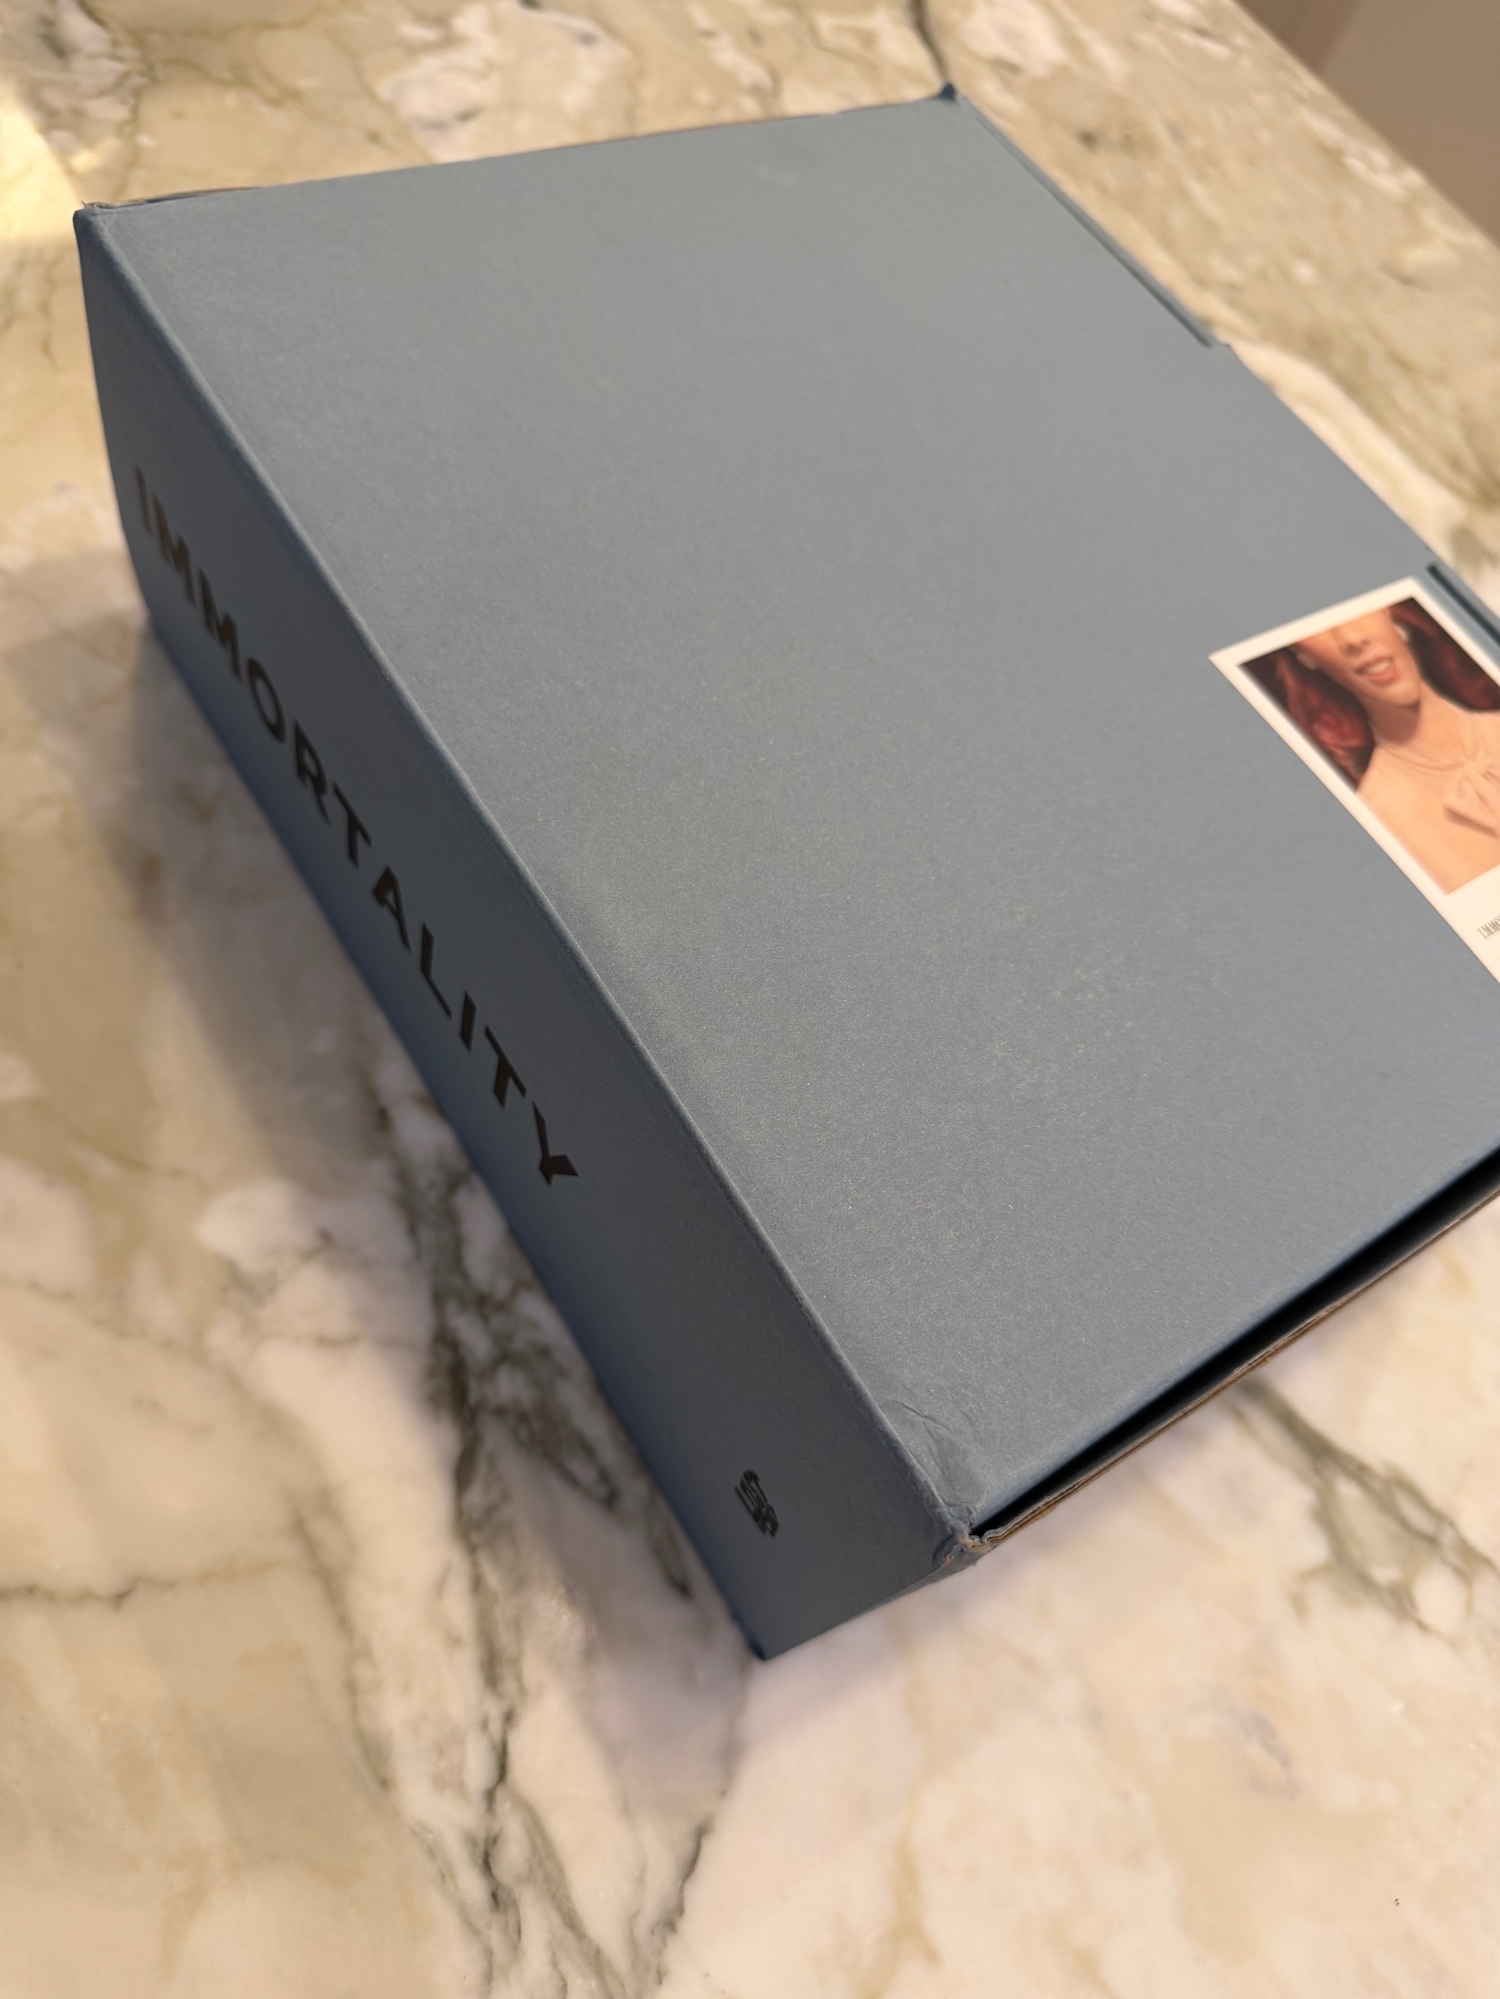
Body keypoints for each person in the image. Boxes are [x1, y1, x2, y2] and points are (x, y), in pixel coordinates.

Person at [1273, 604, 1500, 894]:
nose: (1353, 639)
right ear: (1303, 654)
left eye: (1354, 609)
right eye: (1319, 629)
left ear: (1388, 613)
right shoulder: (1376, 819)